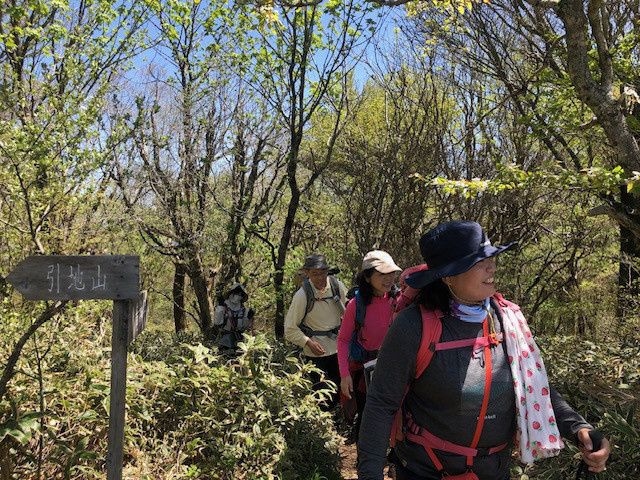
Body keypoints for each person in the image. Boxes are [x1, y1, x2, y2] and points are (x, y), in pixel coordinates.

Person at [357, 220, 611, 480]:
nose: (491, 267)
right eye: (478, 262)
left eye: (490, 258)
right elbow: (381, 404)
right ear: (448, 276)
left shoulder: (506, 319)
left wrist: (579, 428)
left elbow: (532, 385)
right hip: (426, 470)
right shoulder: (414, 326)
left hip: (494, 471)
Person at [337, 250, 402, 442]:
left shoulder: (398, 301)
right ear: (367, 277)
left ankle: (393, 462)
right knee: (368, 414)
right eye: (382, 274)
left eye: (391, 273)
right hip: (365, 370)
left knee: (396, 413)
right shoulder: (356, 305)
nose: (389, 279)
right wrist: (344, 375)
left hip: (393, 365)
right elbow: (343, 340)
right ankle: (366, 460)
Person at [285, 253, 347, 410]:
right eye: (314, 274)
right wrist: (308, 342)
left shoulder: (337, 287)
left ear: (327, 271)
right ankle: (323, 424)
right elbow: (290, 328)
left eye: (322, 273)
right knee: (319, 392)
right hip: (314, 352)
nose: (319, 278)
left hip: (338, 348)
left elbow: (349, 312)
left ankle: (337, 421)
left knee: (340, 388)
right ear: (307, 274)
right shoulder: (302, 295)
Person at [214, 283, 254, 354]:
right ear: (231, 293)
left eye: (240, 294)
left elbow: (244, 327)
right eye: (236, 293)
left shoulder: (244, 310)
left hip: (238, 341)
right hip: (224, 339)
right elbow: (217, 322)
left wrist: (248, 317)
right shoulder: (223, 306)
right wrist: (220, 307)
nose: (237, 296)